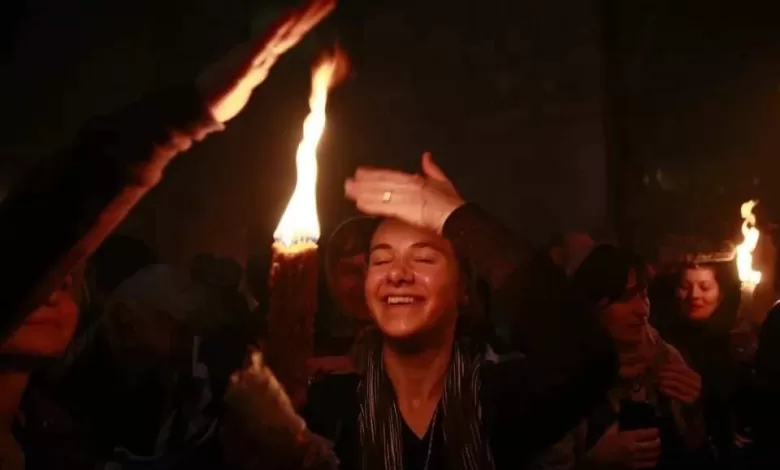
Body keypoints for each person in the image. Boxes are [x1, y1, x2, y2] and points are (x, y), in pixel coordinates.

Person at [0, 1, 335, 467]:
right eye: (49, 262)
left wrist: (253, 447)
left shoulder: (52, 435)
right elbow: (46, 220)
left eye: (70, 270)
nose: (56, 282)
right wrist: (183, 116)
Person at [227, 153, 618, 470]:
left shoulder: (501, 399)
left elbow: (588, 356)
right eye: (381, 260)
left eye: (424, 258)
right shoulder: (327, 411)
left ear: (463, 290)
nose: (398, 274)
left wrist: (457, 218)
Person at [530, 245, 708, 470]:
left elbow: (696, 451)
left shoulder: (664, 357)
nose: (641, 310)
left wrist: (697, 412)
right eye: (625, 298)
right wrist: (593, 464)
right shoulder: (561, 378)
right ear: (592, 305)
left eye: (643, 295)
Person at [650, 241, 756, 468]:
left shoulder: (737, 341)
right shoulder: (662, 337)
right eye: (685, 286)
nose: (694, 295)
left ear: (721, 292)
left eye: (705, 287)